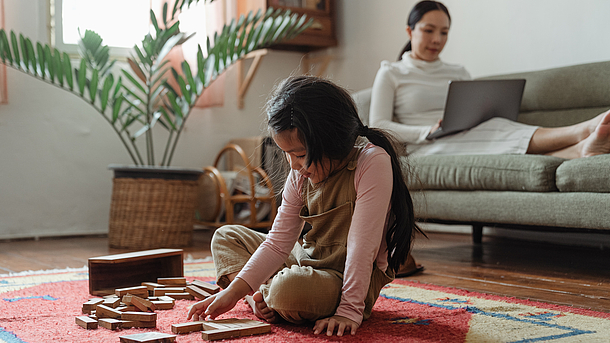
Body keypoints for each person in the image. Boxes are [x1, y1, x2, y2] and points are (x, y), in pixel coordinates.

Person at [187, 75, 423, 336]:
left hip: (345, 280)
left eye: (299, 154)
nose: (293, 165)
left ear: (331, 141)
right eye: (286, 154)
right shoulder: (300, 174)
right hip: (306, 262)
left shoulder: (372, 161)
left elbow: (362, 246)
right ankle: (261, 298)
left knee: (290, 290)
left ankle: (269, 294)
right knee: (226, 237)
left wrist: (349, 310)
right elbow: (278, 242)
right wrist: (232, 294)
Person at [369, 0, 610, 158]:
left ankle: (580, 149)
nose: (437, 40)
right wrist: (426, 131)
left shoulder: (458, 72)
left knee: (494, 127)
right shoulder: (391, 72)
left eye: (444, 32)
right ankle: (581, 130)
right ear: (410, 31)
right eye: (429, 30)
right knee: (494, 130)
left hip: (467, 134)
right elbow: (379, 125)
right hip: (425, 146)